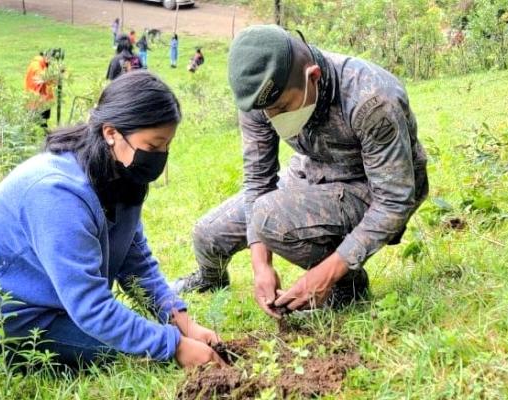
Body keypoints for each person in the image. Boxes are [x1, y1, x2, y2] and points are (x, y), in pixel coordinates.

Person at [0, 71, 226, 370]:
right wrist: (174, 346)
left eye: (167, 146)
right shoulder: (57, 194)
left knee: (136, 341)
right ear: (111, 132)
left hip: (56, 300)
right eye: (153, 147)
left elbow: (137, 265)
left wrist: (184, 326)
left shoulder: (121, 175)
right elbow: (91, 306)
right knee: (133, 355)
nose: (160, 156)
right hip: (3, 314)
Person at [172, 25, 429, 318]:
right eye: (267, 111)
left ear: (313, 77)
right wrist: (261, 267)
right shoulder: (261, 93)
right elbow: (258, 178)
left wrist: (324, 275)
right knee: (208, 234)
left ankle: (347, 288)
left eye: (282, 107)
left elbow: (394, 201)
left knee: (270, 217)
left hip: (370, 184)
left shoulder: (371, 99)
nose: (273, 117)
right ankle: (211, 281)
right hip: (313, 171)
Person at [24, 51, 55, 129]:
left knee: (41, 123)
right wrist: (57, 76)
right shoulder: (36, 66)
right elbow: (44, 78)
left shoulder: (40, 64)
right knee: (40, 124)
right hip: (37, 102)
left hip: (39, 100)